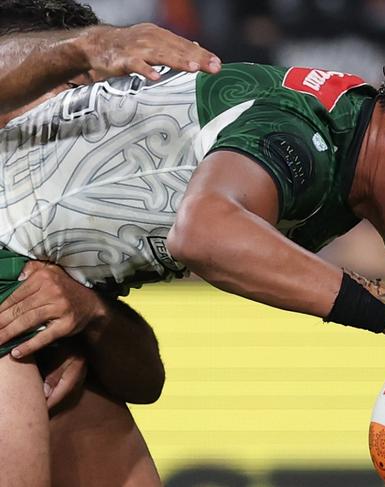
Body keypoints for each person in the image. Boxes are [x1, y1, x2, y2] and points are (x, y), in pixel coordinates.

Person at [0, 20, 385, 486]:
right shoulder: (305, 137)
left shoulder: (341, 156)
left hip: (19, 266)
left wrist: (92, 313)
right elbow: (203, 233)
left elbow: (145, 382)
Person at [0, 0, 223, 484]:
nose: (94, 113)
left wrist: (90, 312)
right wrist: (92, 46)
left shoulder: (60, 229)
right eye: (71, 88)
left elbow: (147, 380)